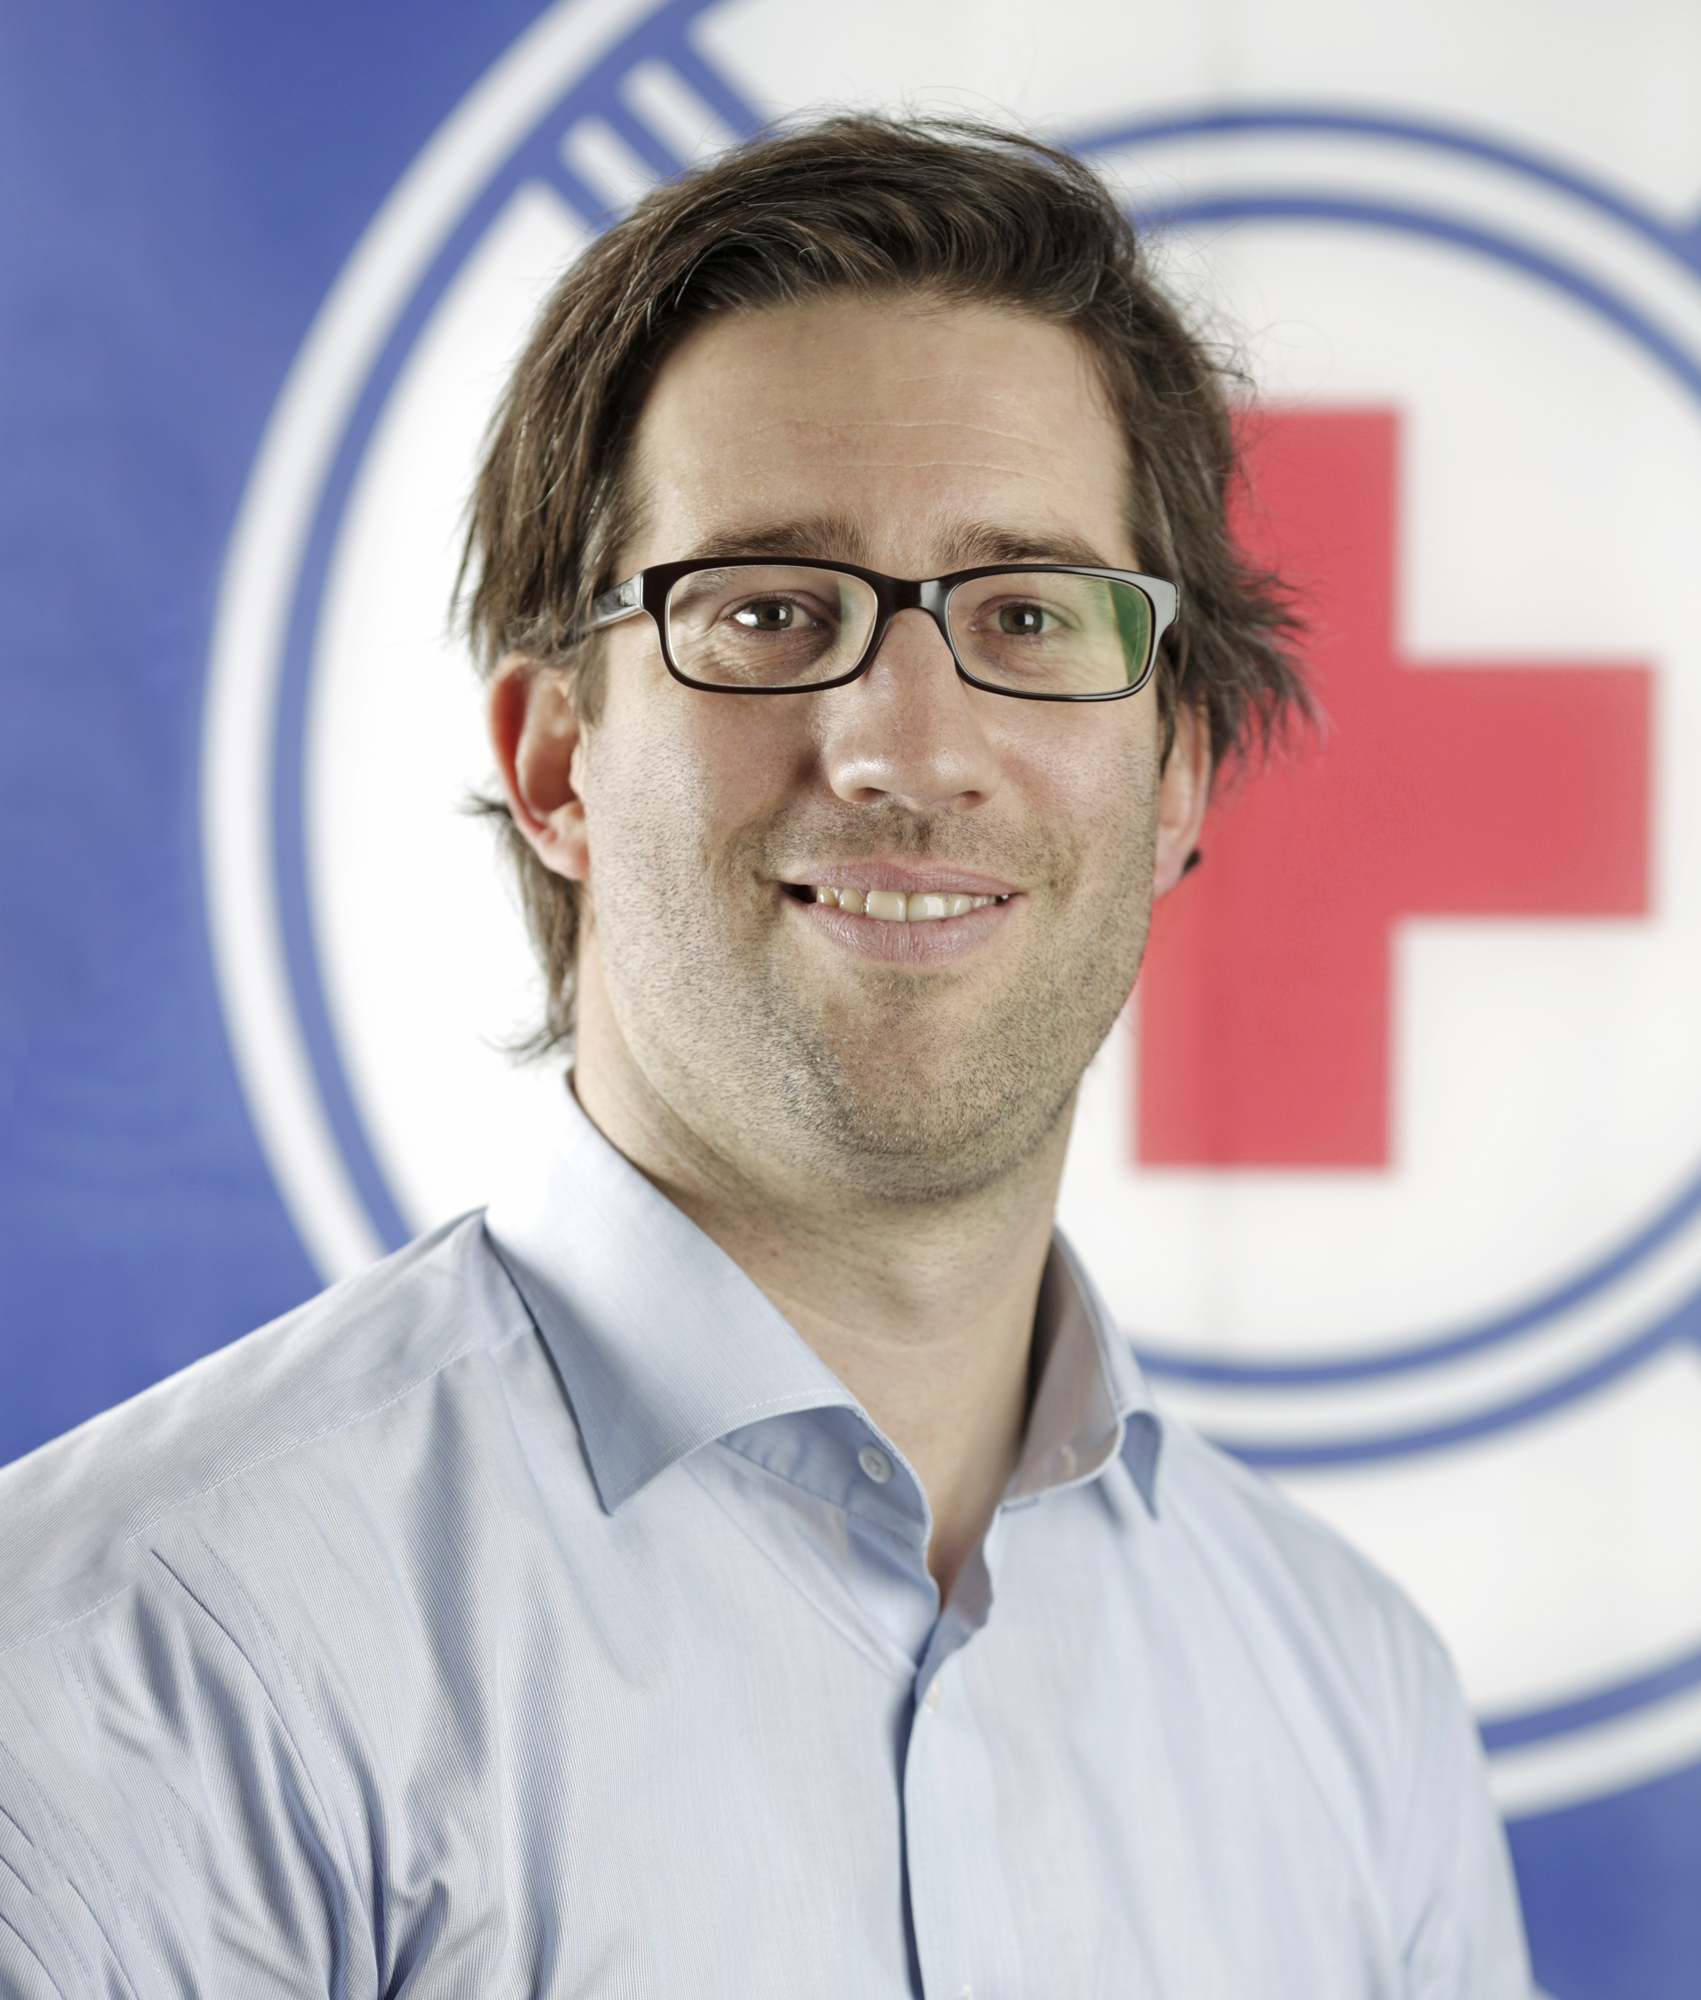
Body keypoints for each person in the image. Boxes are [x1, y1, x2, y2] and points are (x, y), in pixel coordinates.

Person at [0, 116, 1528, 1997]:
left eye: (1030, 615)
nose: (903, 744)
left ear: (1177, 776)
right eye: (766, 613)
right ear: (557, 763)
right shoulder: (124, 1659)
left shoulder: (1353, 1702)